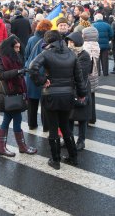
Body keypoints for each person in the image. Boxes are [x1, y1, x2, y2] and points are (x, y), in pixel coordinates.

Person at [29, 30, 86, 169]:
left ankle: (55, 160)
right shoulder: (72, 54)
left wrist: (42, 80)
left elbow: (32, 67)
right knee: (65, 126)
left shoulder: (46, 53)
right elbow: (79, 77)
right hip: (67, 95)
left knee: (53, 128)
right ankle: (73, 157)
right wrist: (82, 93)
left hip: (51, 95)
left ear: (48, 42)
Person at [0, 35, 36, 156]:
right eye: (16, 47)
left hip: (16, 92)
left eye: (19, 47)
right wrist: (17, 72)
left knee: (12, 119)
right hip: (8, 93)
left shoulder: (15, 56)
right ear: (10, 47)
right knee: (13, 119)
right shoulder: (1, 58)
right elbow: (0, 75)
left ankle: (6, 147)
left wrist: (21, 71)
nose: (18, 50)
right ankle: (19, 147)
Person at [24, 19, 52, 131]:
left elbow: (26, 55)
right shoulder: (48, 42)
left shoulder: (31, 39)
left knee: (32, 101)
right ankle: (46, 126)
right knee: (45, 102)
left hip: (31, 73)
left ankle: (32, 124)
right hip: (44, 74)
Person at [66, 31, 92, 151]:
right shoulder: (70, 54)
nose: (69, 44)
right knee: (70, 116)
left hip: (82, 88)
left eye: (71, 42)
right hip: (71, 89)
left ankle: (81, 141)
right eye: (68, 42)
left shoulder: (85, 55)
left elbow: (80, 73)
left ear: (76, 43)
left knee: (82, 117)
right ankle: (68, 139)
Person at [82, 27, 100, 125]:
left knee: (86, 96)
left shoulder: (85, 46)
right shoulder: (96, 45)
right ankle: (92, 117)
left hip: (88, 75)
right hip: (94, 74)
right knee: (92, 96)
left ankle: (87, 117)